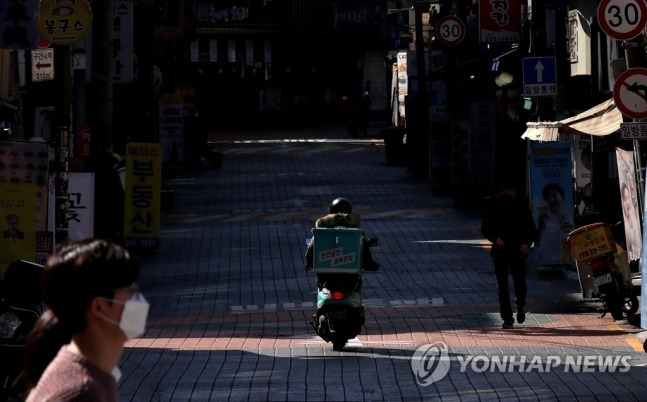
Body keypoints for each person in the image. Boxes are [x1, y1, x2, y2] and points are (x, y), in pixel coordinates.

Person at [21, 238, 149, 402]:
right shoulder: (82, 391)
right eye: (130, 290)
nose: (137, 299)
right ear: (99, 306)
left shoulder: (86, 374)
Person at [481, 183, 537, 329]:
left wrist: (527, 243)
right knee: (502, 286)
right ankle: (507, 317)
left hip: (518, 250)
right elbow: (485, 228)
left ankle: (520, 306)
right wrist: (495, 238)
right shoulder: (494, 207)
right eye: (504, 190)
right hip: (501, 251)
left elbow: (531, 229)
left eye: (509, 190)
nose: (507, 193)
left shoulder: (522, 207)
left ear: (514, 191)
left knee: (520, 283)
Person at [304, 197, 379, 272]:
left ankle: (309, 264)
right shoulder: (354, 227)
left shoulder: (323, 226)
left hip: (326, 269)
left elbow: (312, 246)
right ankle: (367, 263)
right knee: (361, 238)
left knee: (315, 238)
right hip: (351, 269)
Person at [534, 182, 570, 266]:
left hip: (567, 265)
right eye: (548, 197)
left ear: (563, 197)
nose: (551, 199)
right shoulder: (543, 220)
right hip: (547, 264)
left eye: (554, 195)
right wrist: (540, 229)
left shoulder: (570, 218)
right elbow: (536, 246)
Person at [621, 181, 642, 262]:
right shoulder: (625, 222)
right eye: (625, 198)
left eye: (628, 197)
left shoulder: (636, 216)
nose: (628, 202)